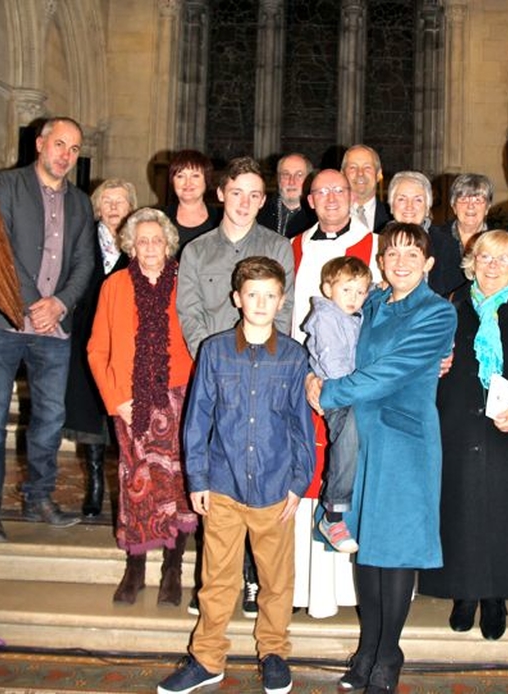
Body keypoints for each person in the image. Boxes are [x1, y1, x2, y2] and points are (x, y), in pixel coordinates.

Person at [308, 222, 457, 692]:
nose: (401, 261)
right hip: (362, 441)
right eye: (392, 253)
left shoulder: (436, 313)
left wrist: (329, 391)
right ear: (381, 261)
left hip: (404, 442)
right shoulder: (371, 301)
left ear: (429, 263)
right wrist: (313, 375)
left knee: (395, 554)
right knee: (367, 553)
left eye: (412, 254)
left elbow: (389, 372)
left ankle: (389, 654)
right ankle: (368, 646)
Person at [157, 256, 315, 694]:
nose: (261, 303)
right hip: (223, 485)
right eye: (252, 295)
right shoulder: (214, 350)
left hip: (274, 488)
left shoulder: (293, 356)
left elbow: (301, 425)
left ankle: (275, 652)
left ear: (281, 301)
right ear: (237, 299)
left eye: (270, 295)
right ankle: (208, 658)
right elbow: (197, 418)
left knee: (276, 579)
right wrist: (198, 478)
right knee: (218, 579)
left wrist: (298, 484)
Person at [419, 230, 508, 640]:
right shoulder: (450, 306)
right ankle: (463, 594)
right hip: (458, 423)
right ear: (472, 262)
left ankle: (496, 598)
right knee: (460, 510)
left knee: (503, 514)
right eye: (484, 258)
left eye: (503, 260)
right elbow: (426, 357)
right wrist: (436, 365)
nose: (492, 267)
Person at [177, 155, 295, 617]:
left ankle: (252, 578)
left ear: (262, 200)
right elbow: (190, 313)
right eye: (237, 192)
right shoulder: (197, 252)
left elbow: (281, 314)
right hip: (215, 375)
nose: (244, 202)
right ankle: (214, 582)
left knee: (260, 470)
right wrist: (215, 360)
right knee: (221, 477)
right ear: (221, 193)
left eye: (254, 194)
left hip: (265, 376)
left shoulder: (278, 247)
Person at [88, 208, 197, 606]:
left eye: (157, 240)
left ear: (168, 244)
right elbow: (97, 349)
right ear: (131, 246)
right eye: (142, 240)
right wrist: (116, 399)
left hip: (181, 398)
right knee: (136, 484)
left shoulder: (186, 281)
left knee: (179, 484)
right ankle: (134, 567)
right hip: (131, 400)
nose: (150, 247)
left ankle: (173, 566)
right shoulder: (115, 286)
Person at [0, 116, 94, 540]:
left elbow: (85, 261)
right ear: (39, 144)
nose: (66, 155)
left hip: (54, 329)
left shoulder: (81, 202)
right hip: (3, 322)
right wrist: (35, 301)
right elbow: (1, 248)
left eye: (74, 149)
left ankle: (39, 498)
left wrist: (60, 303)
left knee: (50, 419)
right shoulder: (5, 185)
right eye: (59, 145)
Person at [291, 168, 380, 618]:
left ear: (353, 196)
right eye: (321, 191)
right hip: (301, 383)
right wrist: (305, 375)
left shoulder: (375, 246)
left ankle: (347, 591)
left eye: (339, 190)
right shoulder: (295, 246)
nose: (330, 198)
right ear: (310, 199)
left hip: (354, 385)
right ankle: (303, 590)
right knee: (307, 470)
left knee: (346, 459)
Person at [64, 178, 137, 517]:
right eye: (106, 200)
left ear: (131, 205)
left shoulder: (138, 242)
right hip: (86, 338)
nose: (112, 207)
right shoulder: (82, 238)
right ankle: (95, 484)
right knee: (90, 410)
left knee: (123, 414)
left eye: (119, 201)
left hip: (125, 344)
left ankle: (126, 488)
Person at [303, 256, 372, 554]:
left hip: (352, 391)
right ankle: (332, 513)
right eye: (347, 290)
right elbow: (335, 366)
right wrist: (364, 385)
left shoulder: (351, 316)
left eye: (361, 292)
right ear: (328, 288)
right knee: (349, 437)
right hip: (339, 393)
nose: (354, 298)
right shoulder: (327, 317)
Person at [388, 170, 463, 296]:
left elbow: (454, 297)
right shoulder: (376, 242)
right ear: (391, 205)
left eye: (418, 200)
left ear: (428, 207)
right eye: (402, 199)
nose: (409, 206)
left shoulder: (447, 244)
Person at [166, 149, 222, 257]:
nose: (188, 183)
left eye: (195, 176)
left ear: (206, 180)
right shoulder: (159, 218)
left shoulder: (221, 220)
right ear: (172, 181)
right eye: (180, 176)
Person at [257, 152, 317, 238]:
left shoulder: (317, 216)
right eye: (286, 174)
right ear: (278, 179)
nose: (291, 181)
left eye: (299, 175)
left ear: (310, 180)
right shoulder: (259, 211)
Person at [341, 144, 392, 233]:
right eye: (353, 167)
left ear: (379, 174)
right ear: (342, 174)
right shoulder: (328, 216)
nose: (360, 173)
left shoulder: (393, 216)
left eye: (367, 167)